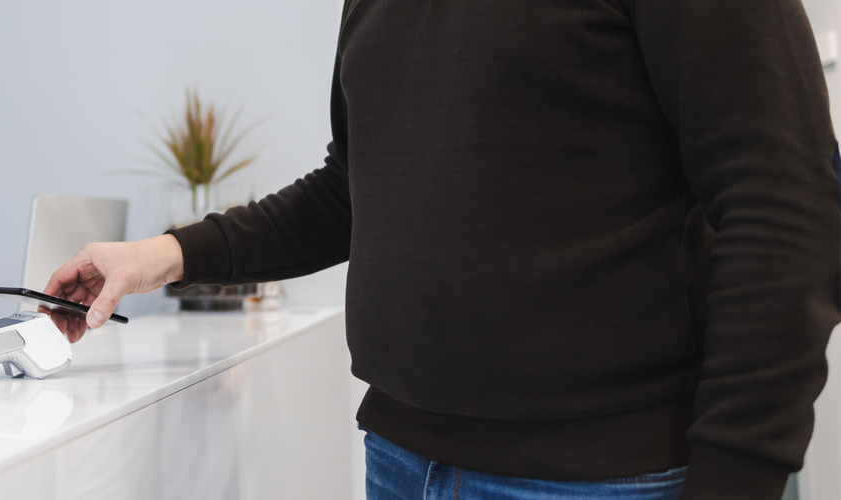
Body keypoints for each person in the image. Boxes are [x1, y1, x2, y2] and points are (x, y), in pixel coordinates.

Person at [44, 2, 841, 499]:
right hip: (403, 461)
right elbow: (351, 189)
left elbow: (786, 212)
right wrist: (161, 254)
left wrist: (738, 480)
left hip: (611, 477)